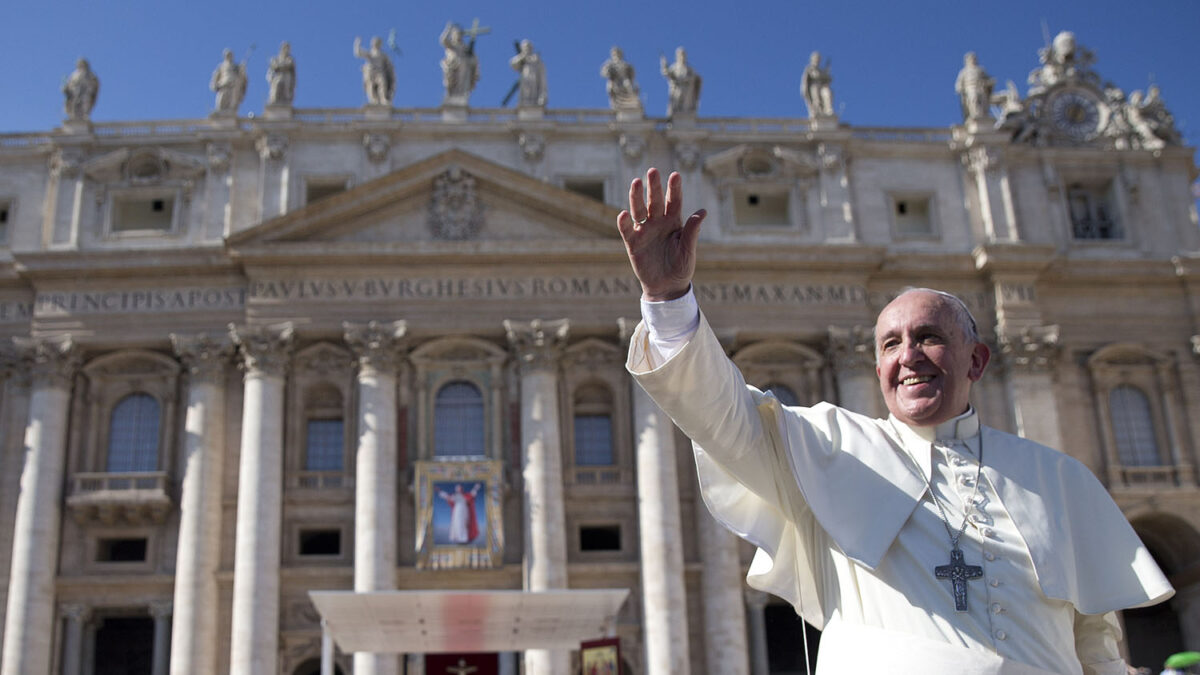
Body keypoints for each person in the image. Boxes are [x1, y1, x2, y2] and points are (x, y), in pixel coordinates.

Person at [617, 167, 1173, 674]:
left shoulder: (1058, 477)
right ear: (877, 366)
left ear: (976, 360)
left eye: (929, 337)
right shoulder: (827, 445)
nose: (908, 356)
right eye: (890, 344)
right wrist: (668, 298)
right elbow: (721, 414)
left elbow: (1094, 643)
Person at [440, 22, 479, 105]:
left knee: (463, 85)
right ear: (453, 35)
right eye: (456, 33)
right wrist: (448, 29)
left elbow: (473, 59)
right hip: (453, 67)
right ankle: (453, 98)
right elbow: (443, 40)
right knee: (452, 85)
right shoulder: (452, 45)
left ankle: (460, 98)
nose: (458, 35)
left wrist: (471, 60)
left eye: (460, 34)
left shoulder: (465, 48)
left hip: (464, 68)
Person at [353, 36, 395, 106]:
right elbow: (358, 53)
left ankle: (383, 99)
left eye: (378, 42)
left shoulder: (383, 54)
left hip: (380, 71)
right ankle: (373, 100)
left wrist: (390, 69)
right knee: (371, 86)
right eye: (375, 42)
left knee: (382, 83)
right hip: (371, 72)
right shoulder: (370, 53)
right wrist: (357, 44)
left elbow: (389, 64)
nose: (376, 44)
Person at [660, 47, 701, 117]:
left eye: (683, 54)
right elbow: (667, 73)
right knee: (676, 105)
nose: (682, 56)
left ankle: (685, 118)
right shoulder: (674, 67)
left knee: (686, 106)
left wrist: (688, 79)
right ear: (677, 56)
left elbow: (695, 78)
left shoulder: (689, 69)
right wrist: (664, 66)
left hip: (687, 90)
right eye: (680, 54)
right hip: (677, 89)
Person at [600, 46, 640, 111]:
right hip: (615, 82)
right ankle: (618, 104)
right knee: (611, 86)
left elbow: (632, 74)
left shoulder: (626, 64)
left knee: (628, 85)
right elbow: (603, 73)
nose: (616, 55)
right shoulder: (609, 64)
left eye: (618, 53)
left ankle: (632, 103)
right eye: (614, 54)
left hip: (625, 80)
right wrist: (608, 72)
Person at [509, 39, 546, 108]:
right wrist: (522, 57)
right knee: (525, 93)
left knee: (533, 93)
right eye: (525, 47)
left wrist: (543, 95)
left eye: (528, 46)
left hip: (535, 80)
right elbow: (513, 64)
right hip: (525, 79)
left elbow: (542, 78)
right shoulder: (522, 58)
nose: (527, 48)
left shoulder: (536, 60)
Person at [210, 49, 247, 115]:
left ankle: (229, 115)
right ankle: (221, 116)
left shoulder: (236, 67)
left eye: (230, 55)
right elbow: (215, 76)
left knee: (231, 104)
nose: (229, 56)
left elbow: (242, 77)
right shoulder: (221, 66)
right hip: (223, 84)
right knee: (221, 102)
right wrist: (214, 84)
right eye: (227, 55)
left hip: (233, 84)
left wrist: (242, 70)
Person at [801, 51, 834, 118]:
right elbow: (809, 78)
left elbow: (829, 79)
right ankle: (817, 112)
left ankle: (828, 110)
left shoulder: (821, 70)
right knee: (817, 101)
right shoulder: (809, 68)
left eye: (818, 58)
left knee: (827, 93)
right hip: (814, 87)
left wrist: (826, 74)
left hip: (822, 86)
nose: (817, 60)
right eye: (816, 58)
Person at [266, 41, 295, 106]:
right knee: (276, 89)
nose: (286, 50)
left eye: (288, 48)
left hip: (286, 77)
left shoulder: (289, 59)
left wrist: (278, 66)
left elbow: (289, 65)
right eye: (285, 48)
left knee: (285, 93)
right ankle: (274, 104)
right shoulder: (276, 59)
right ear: (281, 49)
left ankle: (283, 105)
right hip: (277, 77)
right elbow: (271, 70)